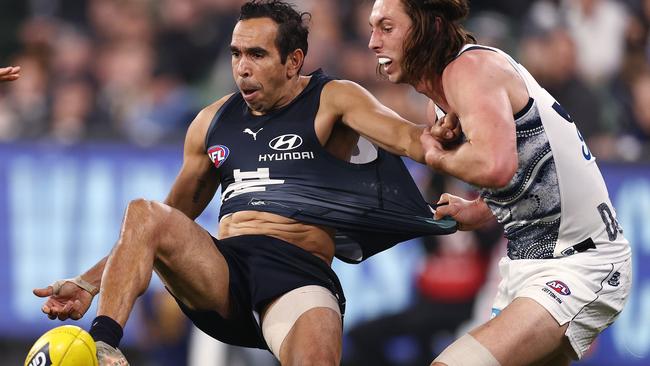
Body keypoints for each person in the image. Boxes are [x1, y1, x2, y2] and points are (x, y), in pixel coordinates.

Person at [32, 1, 456, 365]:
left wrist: (440, 132)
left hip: (297, 275)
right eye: (236, 54)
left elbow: (407, 138)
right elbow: (156, 225)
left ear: (293, 61)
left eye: (256, 54)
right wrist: (88, 283)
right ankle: (104, 346)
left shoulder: (332, 99)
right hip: (224, 273)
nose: (242, 69)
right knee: (144, 210)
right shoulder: (211, 122)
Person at [368, 0, 632, 365]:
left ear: (432, 27)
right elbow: (521, 175)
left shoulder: (471, 69)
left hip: (579, 263)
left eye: (387, 27)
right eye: (371, 28)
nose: (372, 42)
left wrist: (432, 154)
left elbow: (496, 168)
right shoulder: (444, 100)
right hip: (525, 266)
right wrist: (480, 208)